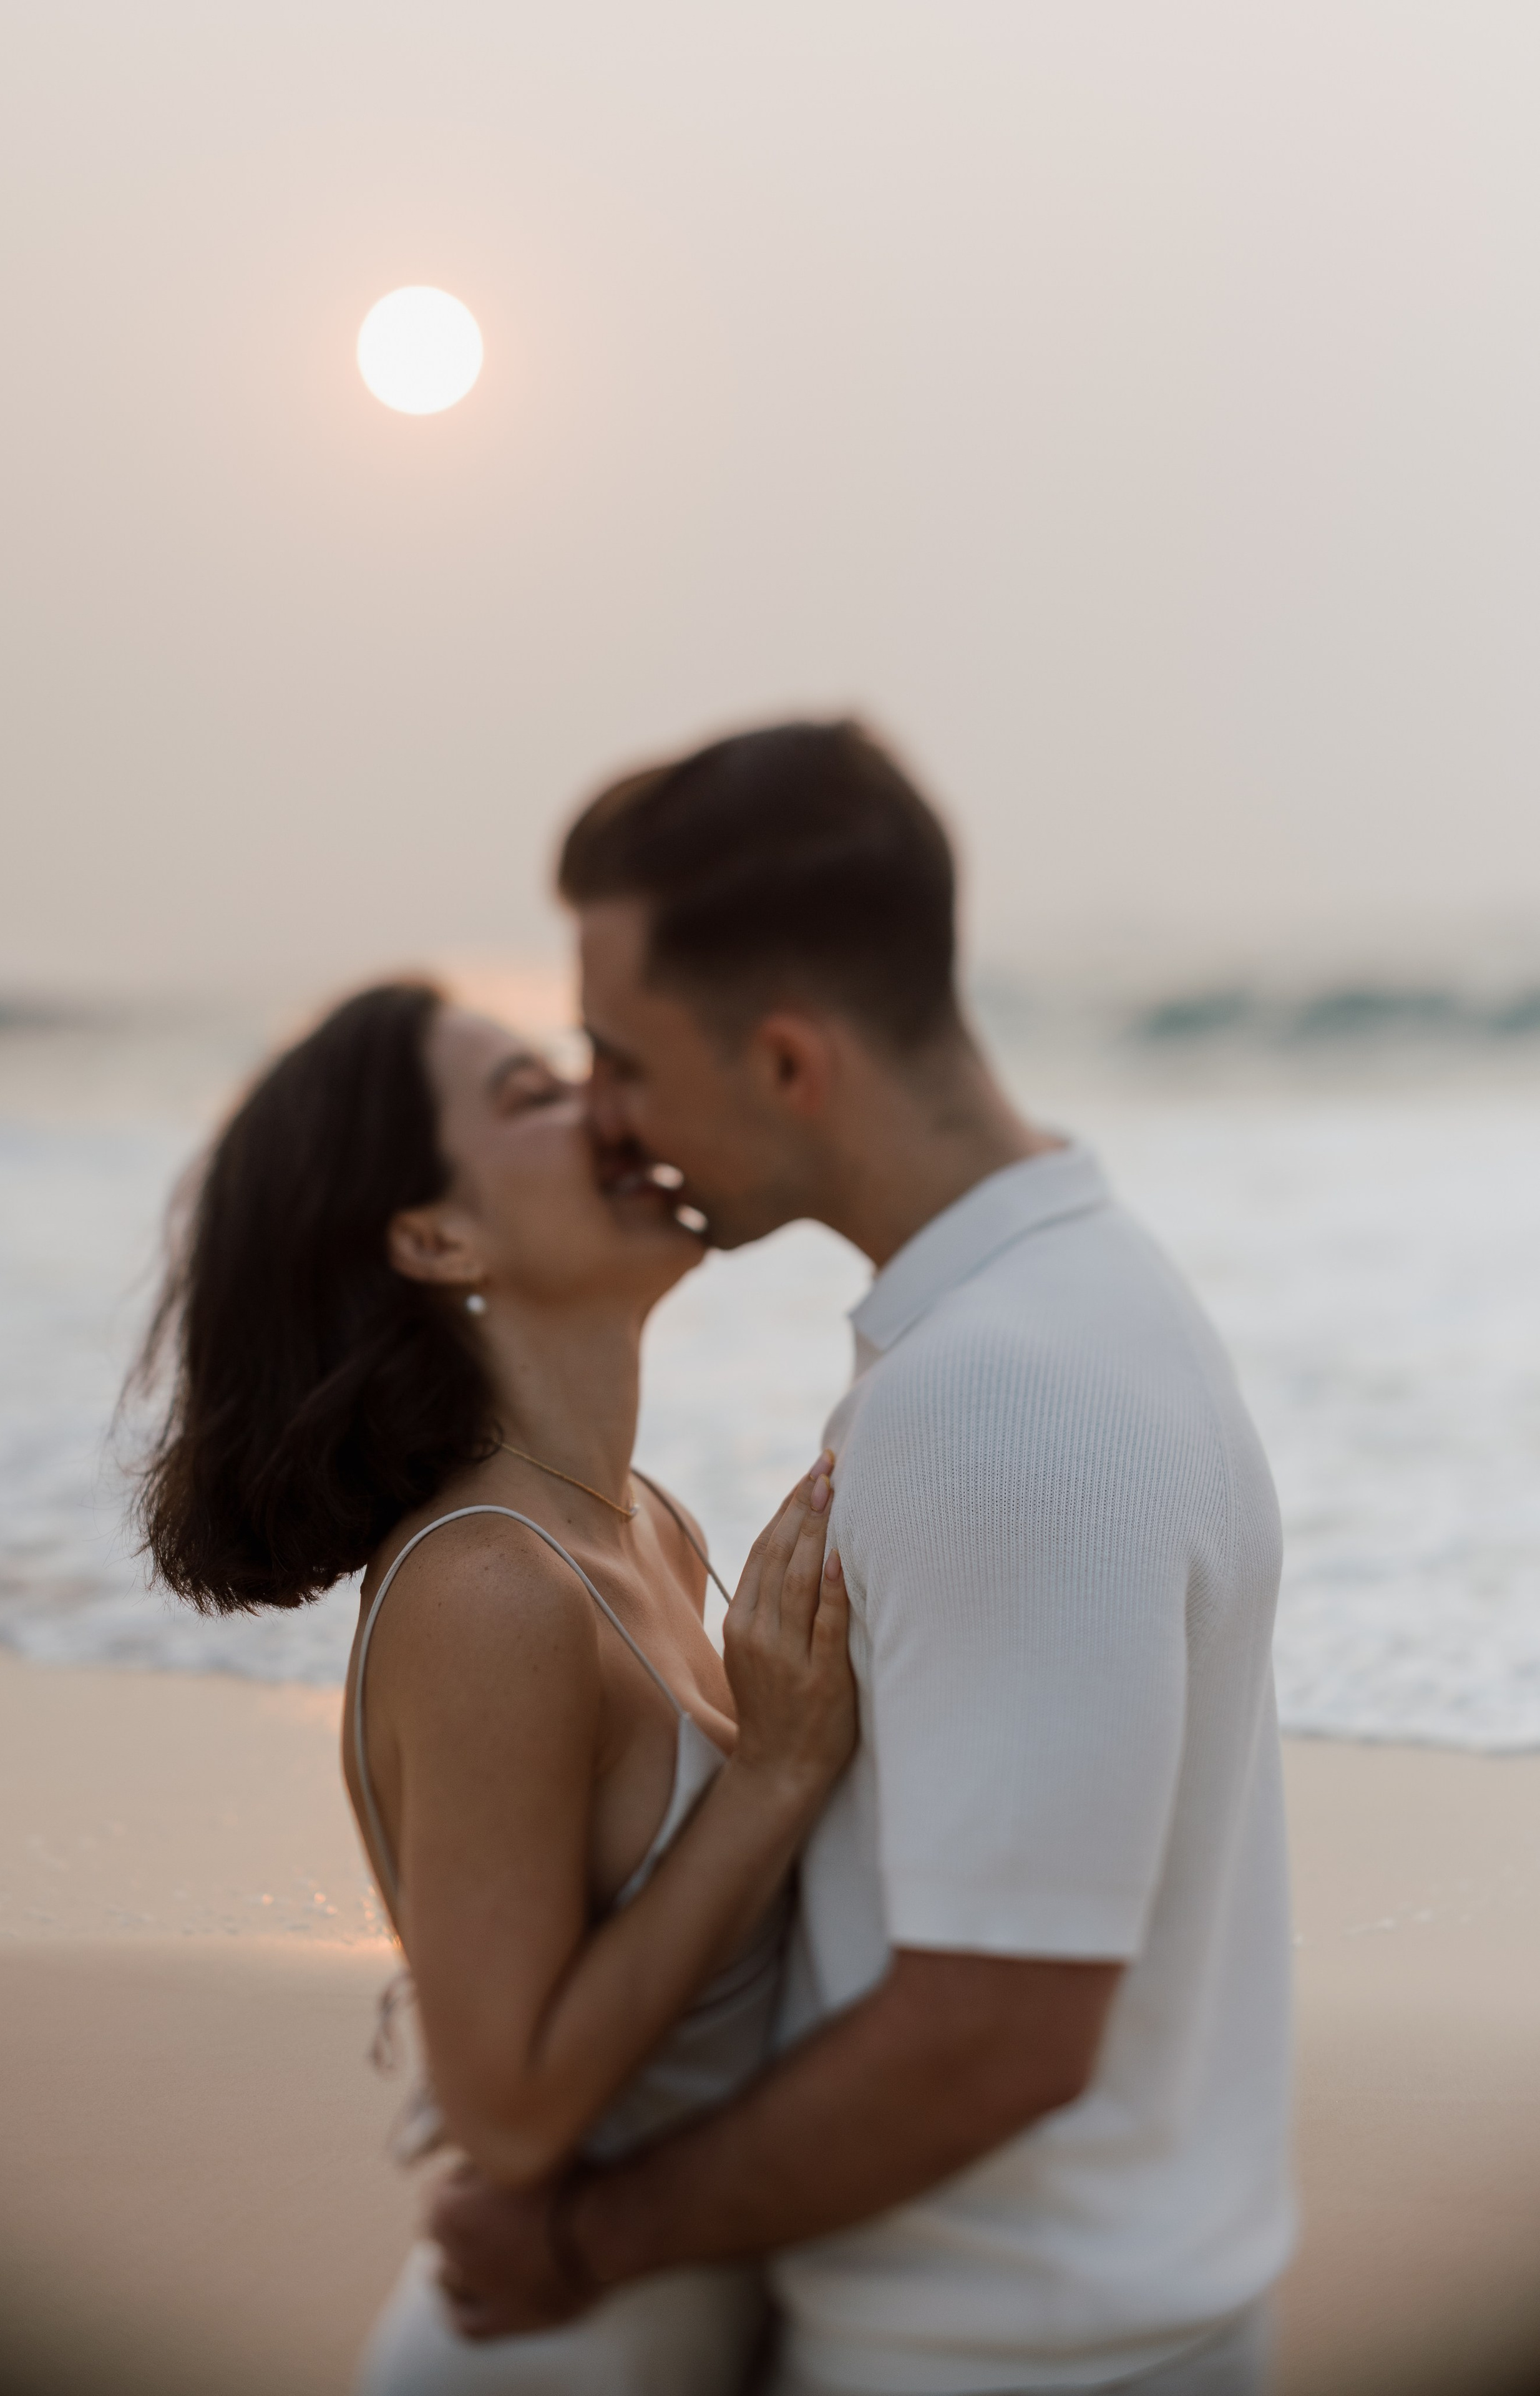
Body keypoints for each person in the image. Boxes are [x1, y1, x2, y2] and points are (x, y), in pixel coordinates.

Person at [431, 721, 1294, 2396]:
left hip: (1012, 2360)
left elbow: (994, 2039)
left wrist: (587, 2239)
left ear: (788, 1065)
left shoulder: (997, 1400)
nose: (610, 1119)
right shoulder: (1065, 1295)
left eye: (622, 1059)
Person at [133, 979, 859, 2395]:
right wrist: (772, 1775)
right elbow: (510, 2114)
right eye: (532, 1096)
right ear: (434, 1233)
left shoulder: (645, 1523)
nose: (605, 1105)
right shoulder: (489, 1594)